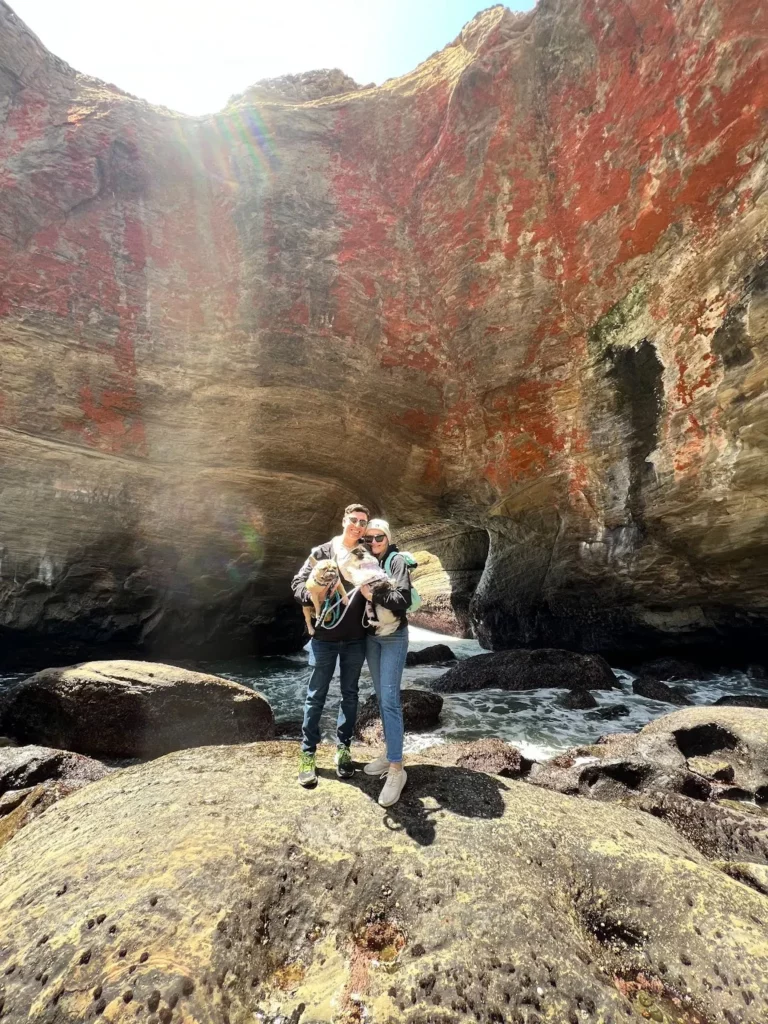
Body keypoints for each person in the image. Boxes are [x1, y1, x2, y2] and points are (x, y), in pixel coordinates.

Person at [291, 503, 371, 788]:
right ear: (343, 520)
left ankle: (344, 750)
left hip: (355, 638)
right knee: (316, 696)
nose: (358, 526)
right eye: (354, 520)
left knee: (350, 694)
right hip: (323, 638)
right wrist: (313, 594)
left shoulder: (365, 555)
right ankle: (308, 755)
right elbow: (297, 583)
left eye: (363, 522)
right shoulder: (321, 552)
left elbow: (374, 584)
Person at [361, 518, 411, 807]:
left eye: (379, 538)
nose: (374, 543)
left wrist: (374, 593)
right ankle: (390, 752)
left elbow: (402, 598)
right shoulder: (366, 562)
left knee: (390, 700)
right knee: (381, 698)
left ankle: (397, 769)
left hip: (393, 637)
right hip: (372, 637)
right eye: (368, 539)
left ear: (387, 538)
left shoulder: (396, 562)